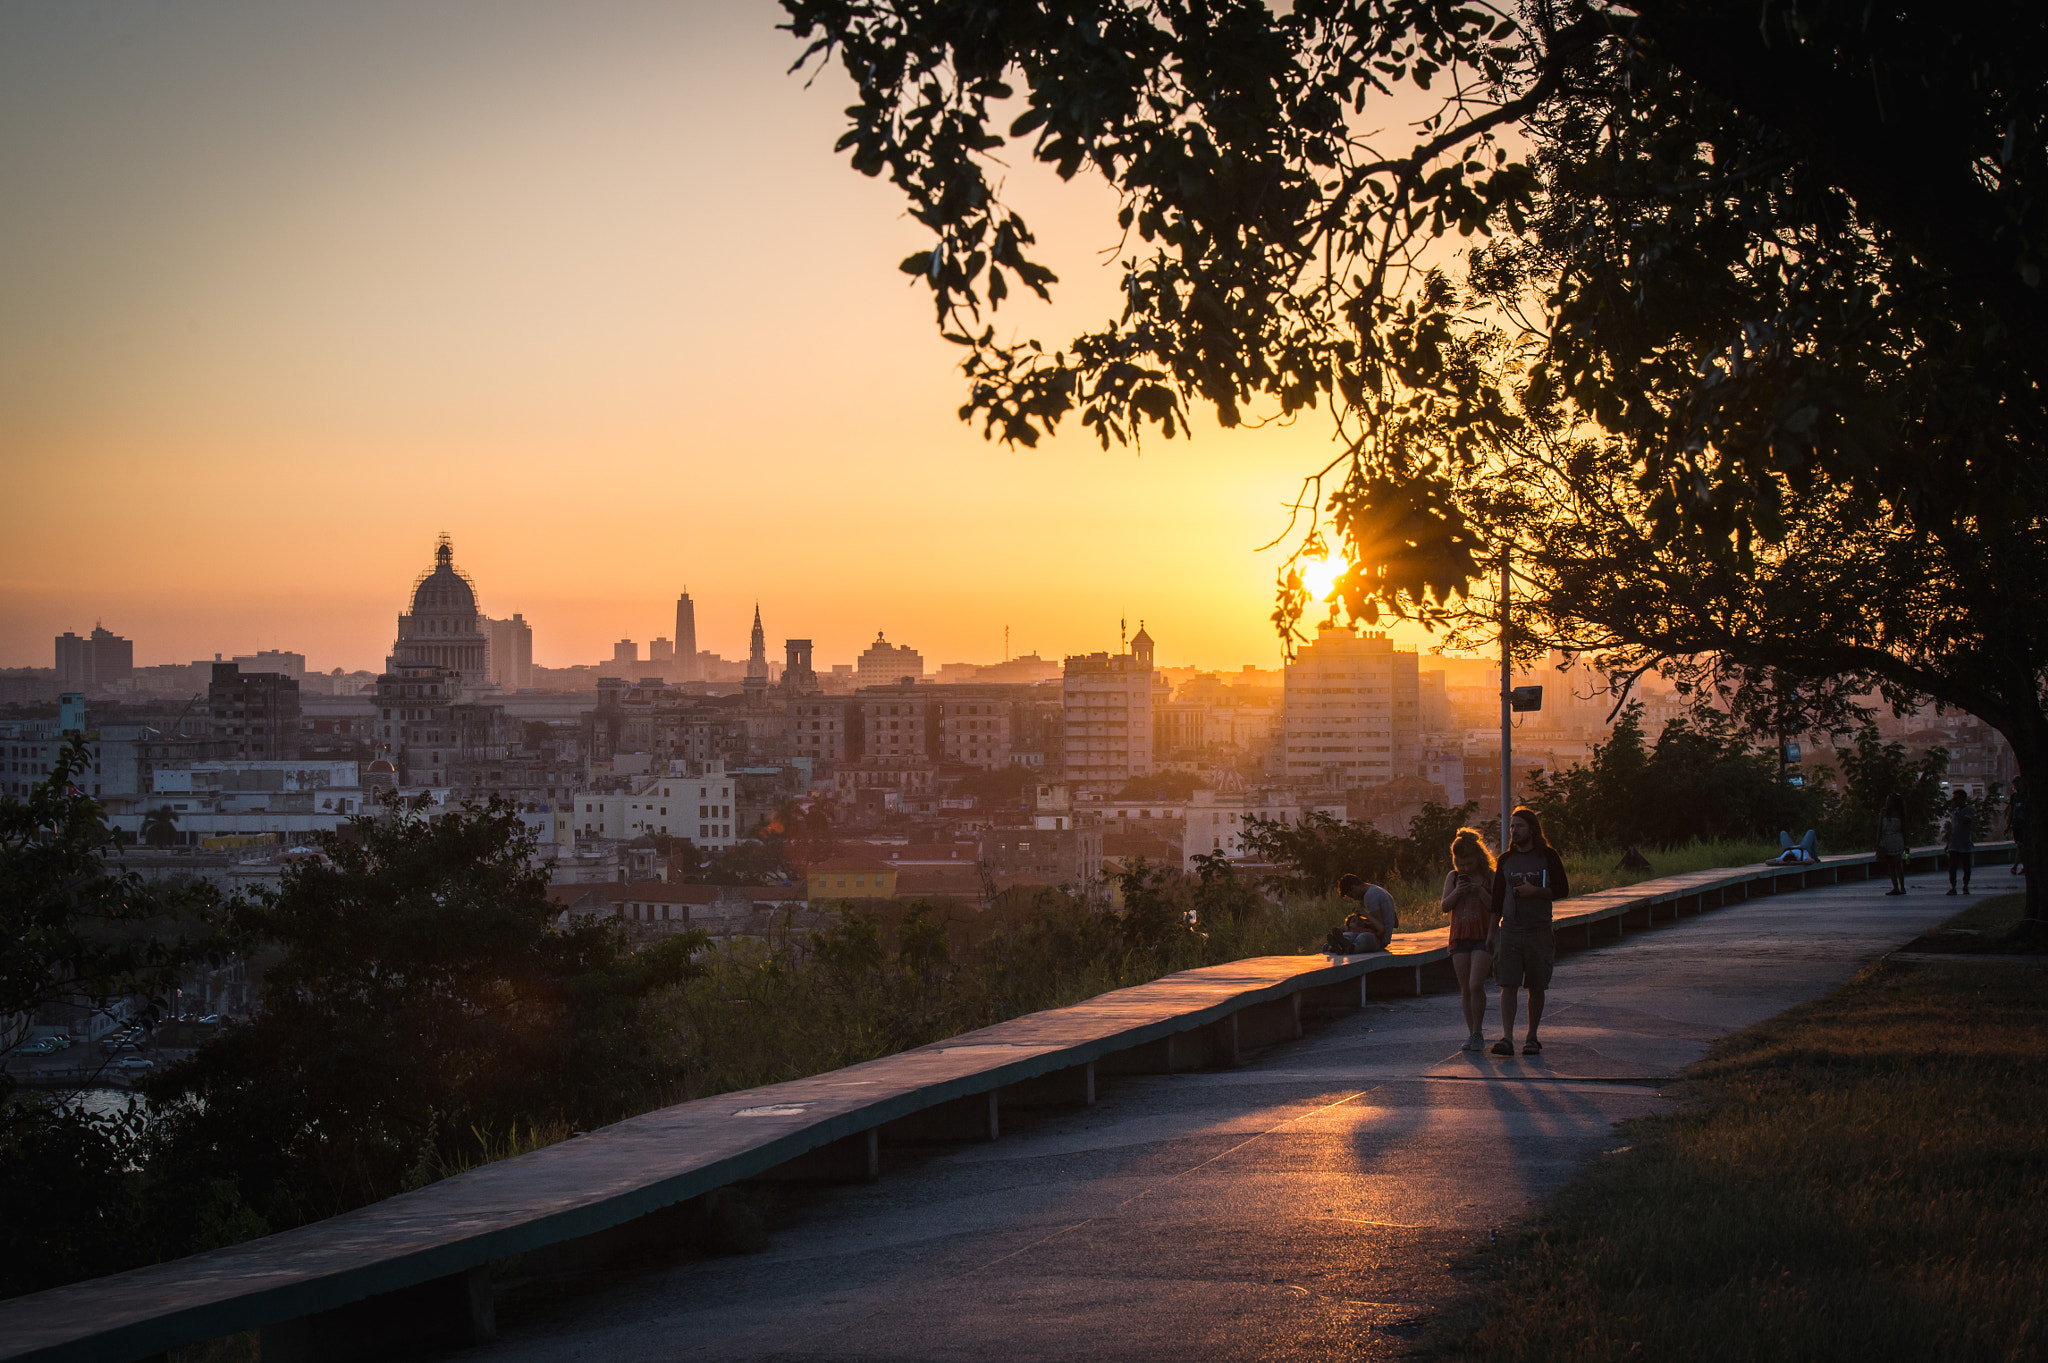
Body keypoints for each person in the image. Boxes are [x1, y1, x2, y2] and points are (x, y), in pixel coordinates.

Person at [1491, 806, 1569, 1057]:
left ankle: (1532, 1037)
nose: (1514, 831)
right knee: (1508, 984)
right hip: (1511, 931)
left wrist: (1535, 892)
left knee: (1536, 985)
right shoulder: (1505, 860)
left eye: (1519, 826)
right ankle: (1507, 1037)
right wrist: (1491, 934)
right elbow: (1496, 900)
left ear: (1532, 829)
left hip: (1539, 930)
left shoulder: (1547, 857)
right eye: (1512, 826)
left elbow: (1562, 889)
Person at [1443, 828, 1498, 1053]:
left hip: (1482, 935)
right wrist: (1458, 891)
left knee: (1477, 984)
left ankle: (1478, 1030)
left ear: (1478, 857)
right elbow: (1445, 906)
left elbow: (1496, 906)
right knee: (1465, 988)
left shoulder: (1489, 876)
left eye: (1468, 864)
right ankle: (1472, 1033)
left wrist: (1479, 890)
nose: (1464, 868)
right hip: (1459, 936)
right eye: (1460, 864)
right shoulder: (1453, 877)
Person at [1330, 872, 1398, 952]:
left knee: (1361, 937)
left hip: (1378, 939)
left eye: (1352, 896)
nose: (1355, 899)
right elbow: (1395, 923)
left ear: (1353, 888)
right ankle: (1336, 945)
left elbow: (1378, 924)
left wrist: (1363, 915)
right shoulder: (1378, 890)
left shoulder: (1370, 895)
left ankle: (1346, 946)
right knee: (1349, 935)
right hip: (1382, 937)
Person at [1943, 789, 1975, 895]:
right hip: (1954, 843)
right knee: (1952, 866)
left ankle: (1965, 885)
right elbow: (1952, 828)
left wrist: (1958, 815)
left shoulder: (1968, 810)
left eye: (1957, 799)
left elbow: (1967, 821)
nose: (1955, 801)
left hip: (1964, 842)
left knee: (1966, 866)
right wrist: (1948, 843)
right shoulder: (1955, 811)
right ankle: (1953, 886)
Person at [1877, 792, 1908, 895]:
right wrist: (1878, 842)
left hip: (1897, 839)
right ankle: (1895, 887)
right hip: (1886, 839)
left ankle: (1902, 887)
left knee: (1897, 864)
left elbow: (1904, 829)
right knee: (1890, 865)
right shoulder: (1883, 812)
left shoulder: (1900, 813)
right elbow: (1880, 828)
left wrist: (1906, 843)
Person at [2009, 775, 2026, 878]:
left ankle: (2015, 866)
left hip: (2024, 824)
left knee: (2021, 846)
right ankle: (2025, 866)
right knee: (2021, 846)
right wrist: (2009, 824)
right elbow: (2011, 811)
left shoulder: (2025, 796)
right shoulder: (2014, 797)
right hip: (2016, 824)